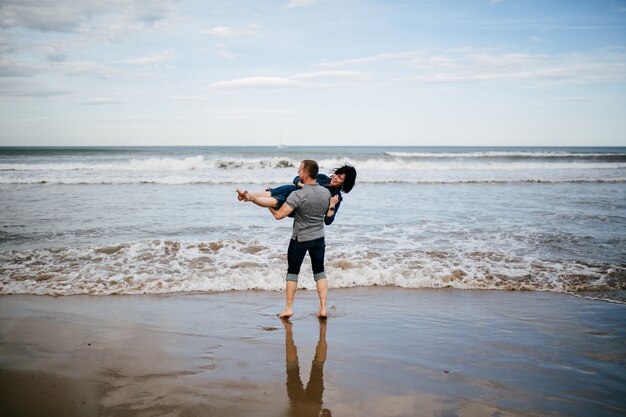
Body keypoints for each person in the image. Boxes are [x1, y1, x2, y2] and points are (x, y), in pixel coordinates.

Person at [240, 160, 331, 318]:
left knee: (292, 273)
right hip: (319, 238)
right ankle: (323, 309)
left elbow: (279, 215)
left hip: (300, 239)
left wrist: (268, 201)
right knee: (320, 272)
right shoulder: (326, 193)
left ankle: (288, 308)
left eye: (300, 170)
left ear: (306, 173)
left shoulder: (298, 195)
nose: (297, 172)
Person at [237, 164, 356, 225]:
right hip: (293, 191)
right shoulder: (322, 178)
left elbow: (328, 222)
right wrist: (304, 185)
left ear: (345, 183)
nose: (335, 177)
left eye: (339, 178)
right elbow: (296, 179)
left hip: (299, 205)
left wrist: (332, 205)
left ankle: (250, 197)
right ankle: (247, 196)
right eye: (336, 174)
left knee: (274, 200)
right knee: (271, 193)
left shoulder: (336, 197)